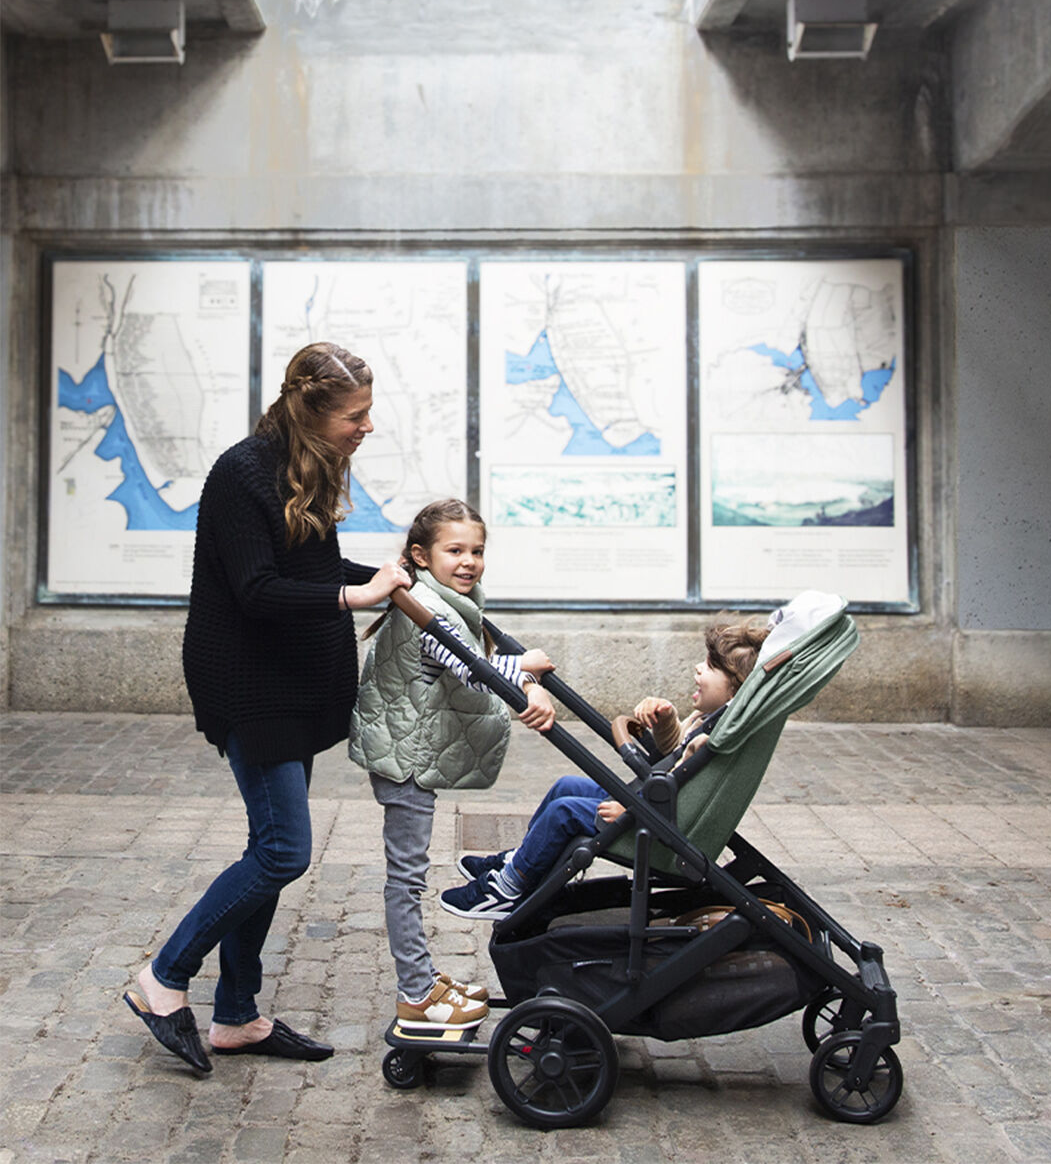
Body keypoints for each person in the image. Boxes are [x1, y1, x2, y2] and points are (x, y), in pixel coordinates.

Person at [123, 342, 411, 1075]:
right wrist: (354, 595)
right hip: (248, 684)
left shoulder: (308, 465)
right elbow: (256, 589)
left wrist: (389, 577)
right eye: (355, 415)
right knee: (283, 850)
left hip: (292, 683)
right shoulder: (241, 473)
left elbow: (311, 568)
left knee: (269, 847)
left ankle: (237, 1016)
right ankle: (163, 977)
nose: (367, 426)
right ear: (312, 411)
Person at [348, 498, 556, 1037]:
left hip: (408, 752)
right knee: (406, 880)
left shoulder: (437, 599)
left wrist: (524, 680)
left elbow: (471, 662)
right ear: (421, 555)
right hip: (405, 761)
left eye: (477, 551)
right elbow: (472, 670)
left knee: (408, 876)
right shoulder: (430, 611)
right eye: (455, 551)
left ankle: (423, 982)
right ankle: (416, 993)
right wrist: (527, 667)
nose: (469, 562)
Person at [439, 617, 766, 921]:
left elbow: (687, 793)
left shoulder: (712, 739)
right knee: (566, 786)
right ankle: (522, 859)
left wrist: (634, 811)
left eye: (710, 666)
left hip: (656, 828)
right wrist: (665, 720)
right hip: (654, 812)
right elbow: (675, 753)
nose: (698, 668)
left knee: (564, 812)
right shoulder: (708, 721)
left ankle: (508, 888)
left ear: (735, 690)